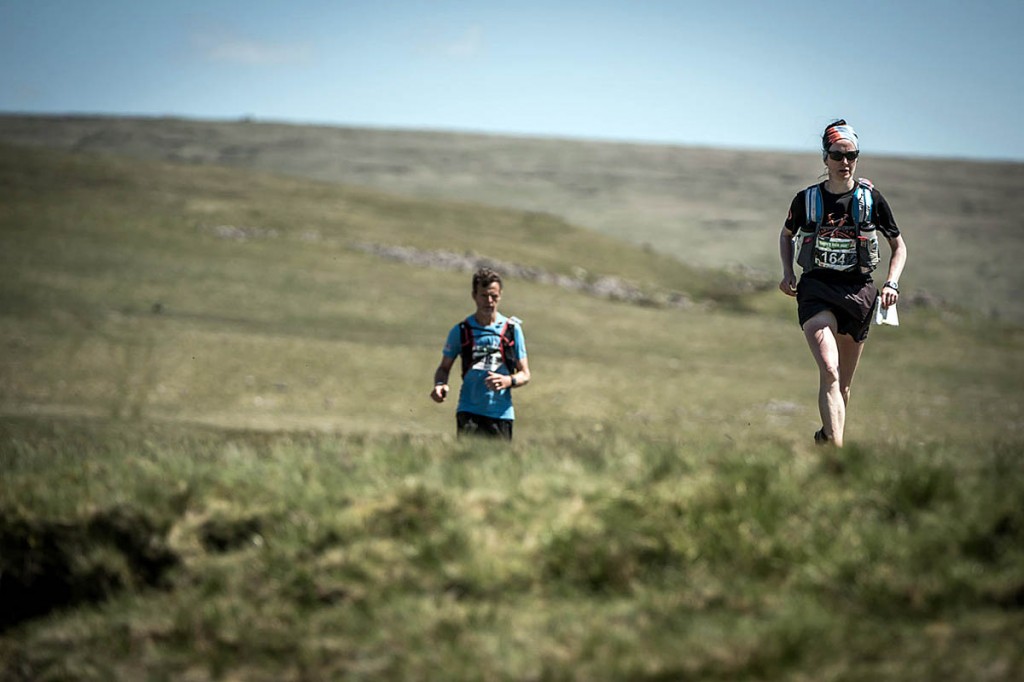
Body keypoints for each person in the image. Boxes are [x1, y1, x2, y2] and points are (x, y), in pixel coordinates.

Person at [778, 120, 908, 447]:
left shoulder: (871, 200)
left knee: (843, 386)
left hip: (859, 294)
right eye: (837, 155)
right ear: (825, 158)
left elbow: (898, 246)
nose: (845, 162)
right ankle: (837, 457)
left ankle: (827, 438)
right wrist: (787, 272)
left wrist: (891, 283)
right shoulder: (806, 200)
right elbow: (786, 235)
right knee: (830, 370)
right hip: (817, 290)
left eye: (851, 155)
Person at [430, 267, 530, 440]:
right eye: (484, 295)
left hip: (501, 414)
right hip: (468, 411)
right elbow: (444, 367)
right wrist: (440, 384)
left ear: (500, 295)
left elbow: (525, 374)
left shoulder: (512, 330)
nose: (489, 301)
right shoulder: (461, 330)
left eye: (494, 296)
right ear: (474, 296)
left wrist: (508, 381)